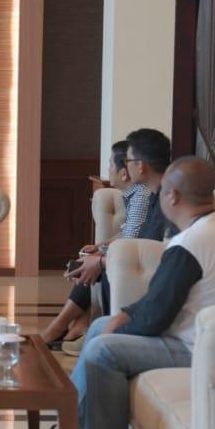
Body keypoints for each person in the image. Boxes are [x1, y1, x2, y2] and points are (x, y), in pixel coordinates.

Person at [68, 157, 215, 429]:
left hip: (199, 349)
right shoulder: (213, 229)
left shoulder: (191, 243)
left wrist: (120, 325)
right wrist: (121, 317)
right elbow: (159, 300)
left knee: (103, 351)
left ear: (172, 196)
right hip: (204, 338)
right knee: (99, 327)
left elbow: (156, 317)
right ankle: (67, 425)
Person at [40, 140, 151, 349]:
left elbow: (130, 241)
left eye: (110, 164)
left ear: (123, 173)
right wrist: (100, 246)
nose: (107, 170)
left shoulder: (140, 196)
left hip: (134, 262)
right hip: (128, 256)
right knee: (88, 261)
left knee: (91, 266)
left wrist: (100, 254)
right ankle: (76, 326)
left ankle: (60, 328)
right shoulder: (134, 195)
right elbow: (127, 232)